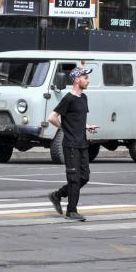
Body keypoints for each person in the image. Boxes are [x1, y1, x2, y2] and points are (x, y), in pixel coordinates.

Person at [47, 66, 98, 222]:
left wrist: (86, 126)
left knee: (84, 177)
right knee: (74, 179)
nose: (87, 80)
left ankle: (57, 195)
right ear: (77, 80)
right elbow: (52, 117)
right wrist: (64, 128)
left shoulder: (84, 98)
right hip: (70, 144)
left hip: (82, 143)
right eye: (85, 78)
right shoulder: (68, 98)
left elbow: (77, 119)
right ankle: (71, 211)